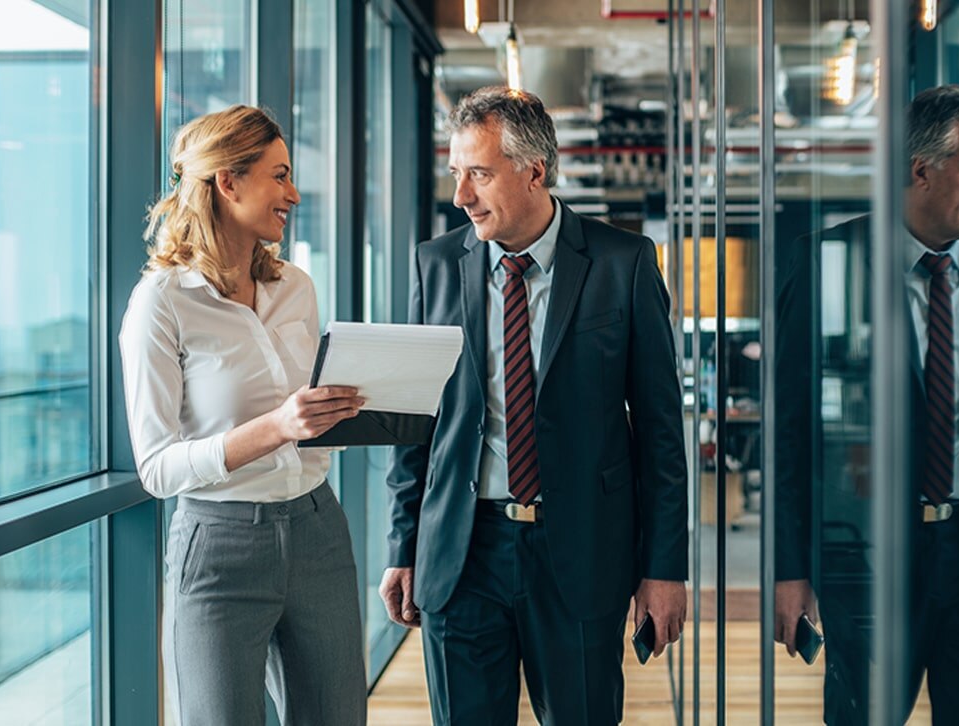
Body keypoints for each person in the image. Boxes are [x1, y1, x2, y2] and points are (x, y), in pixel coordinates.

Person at [379, 86, 689, 725]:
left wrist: (664, 569)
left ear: (535, 171)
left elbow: (660, 430)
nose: (461, 195)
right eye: (456, 173)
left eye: (480, 175)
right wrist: (402, 545)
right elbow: (418, 426)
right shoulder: (435, 266)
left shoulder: (622, 263)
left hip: (579, 552)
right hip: (460, 555)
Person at [774, 84, 959, 724]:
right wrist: (790, 572)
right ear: (921, 170)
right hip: (871, 554)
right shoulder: (824, 260)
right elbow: (791, 429)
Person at [119, 105, 367, 726]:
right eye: (278, 176)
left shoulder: (296, 288)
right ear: (227, 182)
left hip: (318, 528)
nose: (294, 193)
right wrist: (278, 426)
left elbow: (308, 422)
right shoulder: (161, 304)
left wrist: (352, 413)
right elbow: (156, 468)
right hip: (219, 544)